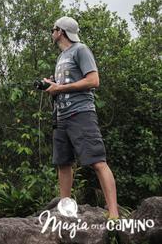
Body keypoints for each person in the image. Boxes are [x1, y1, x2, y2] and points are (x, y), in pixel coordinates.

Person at [43, 16, 119, 219]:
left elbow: (94, 80)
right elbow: (66, 83)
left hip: (81, 113)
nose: (52, 33)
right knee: (63, 163)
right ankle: (65, 213)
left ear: (60, 31)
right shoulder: (61, 57)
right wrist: (52, 84)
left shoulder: (81, 50)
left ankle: (114, 214)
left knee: (97, 161)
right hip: (61, 116)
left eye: (53, 29)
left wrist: (61, 87)